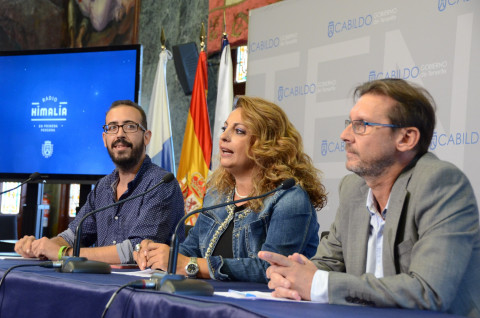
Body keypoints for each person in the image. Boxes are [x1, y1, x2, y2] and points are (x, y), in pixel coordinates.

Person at [259, 79, 480, 317]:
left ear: (406, 138)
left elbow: (429, 292)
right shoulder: (354, 189)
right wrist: (291, 275)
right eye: (350, 124)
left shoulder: (441, 183)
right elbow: (325, 265)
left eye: (361, 125)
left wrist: (318, 284)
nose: (345, 136)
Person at [134, 96, 327, 283]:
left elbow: (271, 269)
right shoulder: (217, 195)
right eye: (224, 128)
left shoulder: (289, 199)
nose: (224, 137)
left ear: (268, 144)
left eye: (239, 131)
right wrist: (159, 255)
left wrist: (191, 266)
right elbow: (190, 250)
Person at [15, 100, 185, 264]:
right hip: (101, 286)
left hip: (143, 290)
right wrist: (39, 247)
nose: (120, 134)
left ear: (146, 137)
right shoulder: (103, 186)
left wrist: (62, 253)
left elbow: (137, 250)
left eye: (130, 126)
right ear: (105, 139)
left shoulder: (161, 183)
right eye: (112, 127)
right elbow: (72, 236)